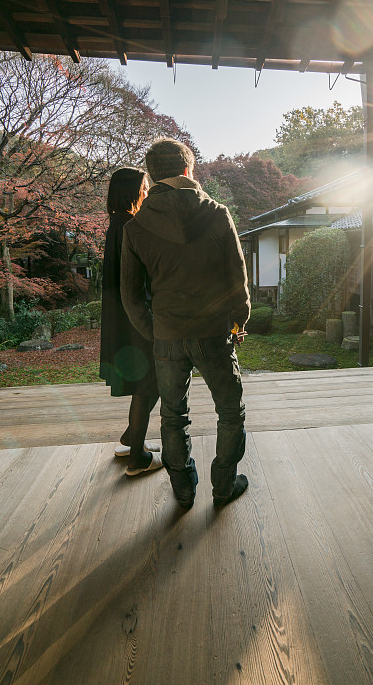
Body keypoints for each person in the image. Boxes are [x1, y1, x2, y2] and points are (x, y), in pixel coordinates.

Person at [120, 138, 250, 509]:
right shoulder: (217, 213)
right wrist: (238, 322)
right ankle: (224, 485)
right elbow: (237, 278)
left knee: (173, 415)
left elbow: (130, 296)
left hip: (168, 337)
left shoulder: (136, 227)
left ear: (153, 175)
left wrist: (154, 332)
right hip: (213, 333)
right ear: (187, 169)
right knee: (229, 410)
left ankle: (184, 489)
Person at [99, 167, 163, 476]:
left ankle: (130, 439)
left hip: (124, 316)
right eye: (144, 187)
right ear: (131, 191)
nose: (147, 191)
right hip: (136, 317)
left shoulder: (117, 225)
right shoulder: (130, 226)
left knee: (147, 383)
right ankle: (137, 456)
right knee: (148, 383)